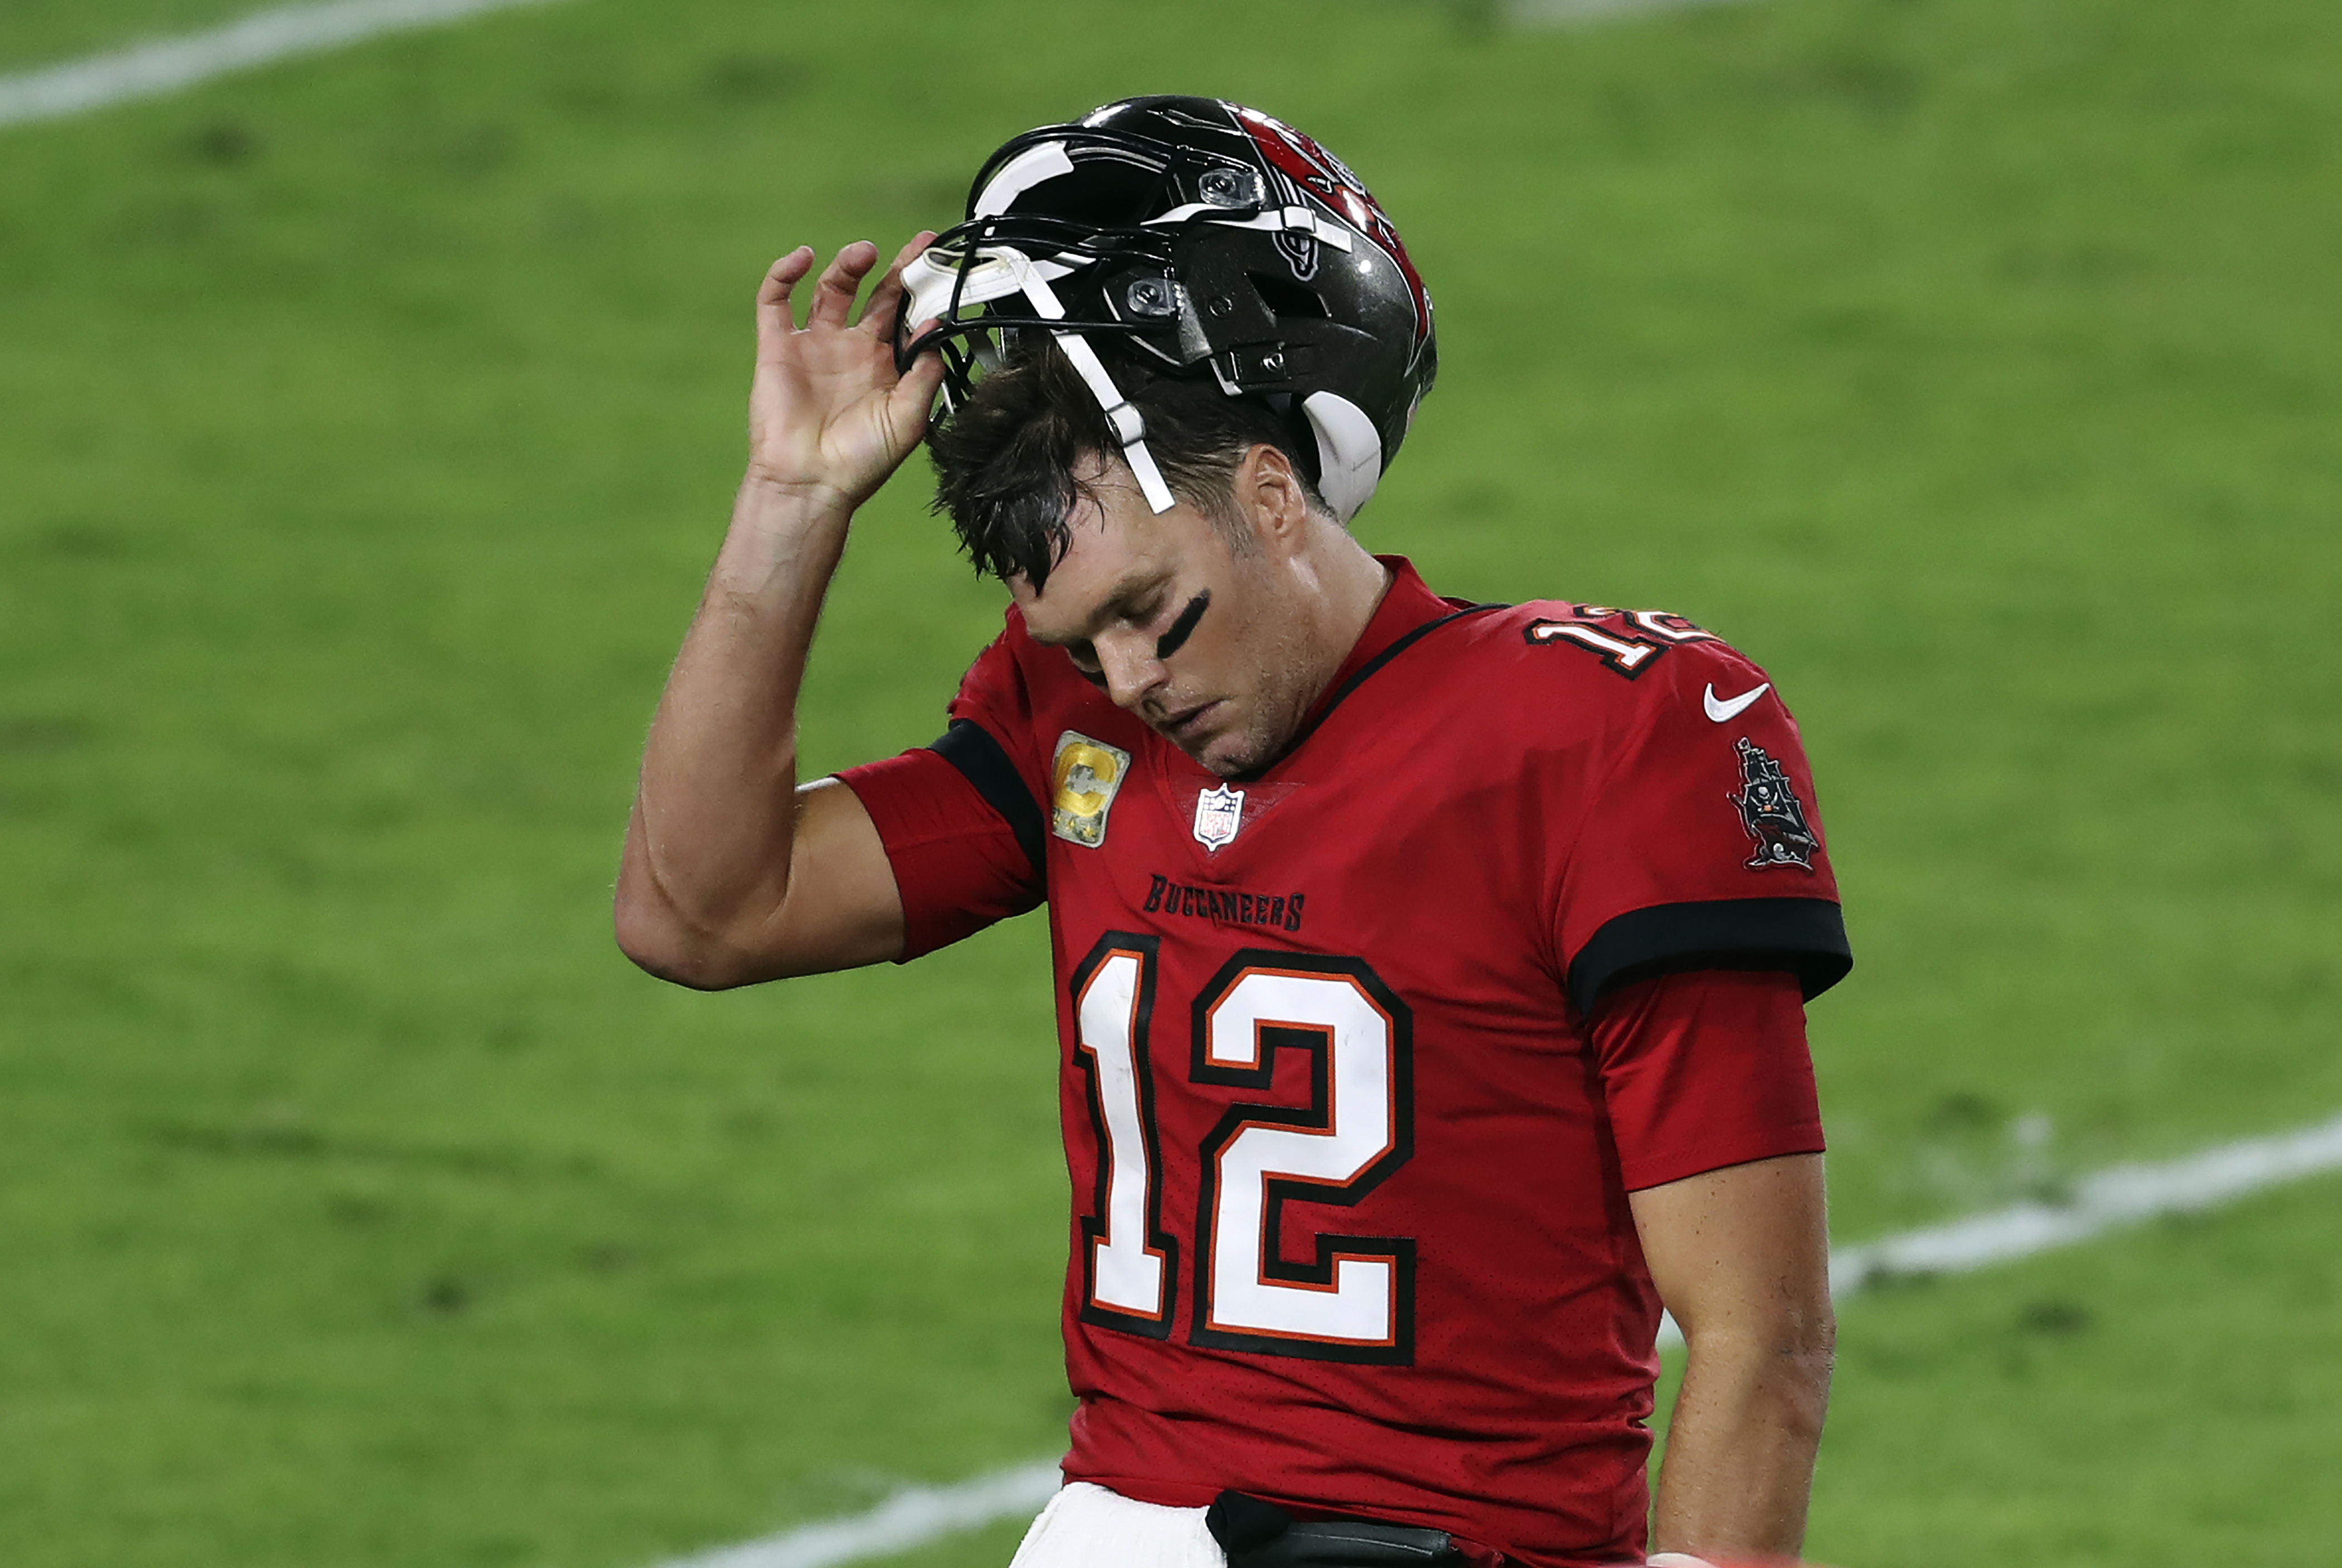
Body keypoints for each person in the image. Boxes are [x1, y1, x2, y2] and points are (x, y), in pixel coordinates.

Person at [615, 97, 1849, 1568]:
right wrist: (791, 500)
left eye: (1145, 616)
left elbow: (1761, 1337)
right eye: (1082, 647)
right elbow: (703, 911)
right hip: (1114, 1529)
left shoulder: (1600, 734)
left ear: (1270, 493)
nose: (1130, 683)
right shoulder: (1069, 722)